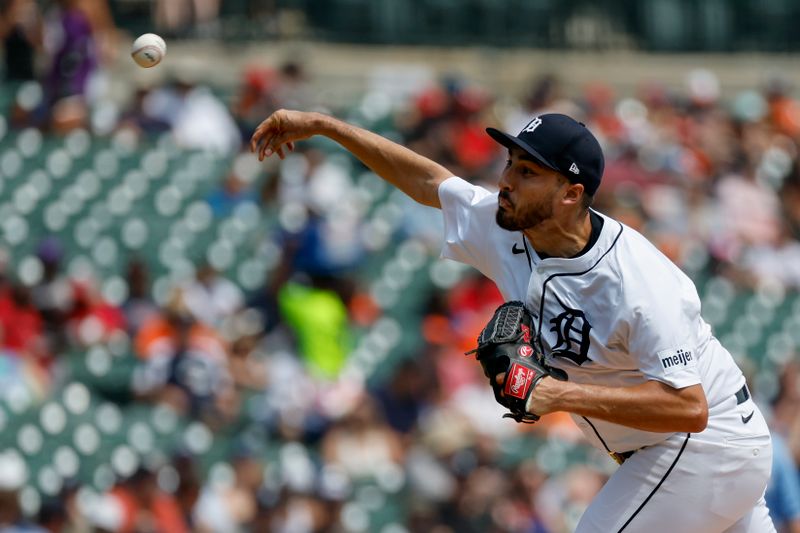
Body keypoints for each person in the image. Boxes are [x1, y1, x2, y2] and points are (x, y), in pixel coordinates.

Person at [250, 109, 775, 532]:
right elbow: (429, 181)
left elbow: (689, 407)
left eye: (528, 172)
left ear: (571, 193)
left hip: (703, 445)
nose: (506, 181)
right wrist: (327, 127)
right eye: (509, 164)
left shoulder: (638, 280)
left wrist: (557, 395)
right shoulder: (505, 226)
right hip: (697, 453)